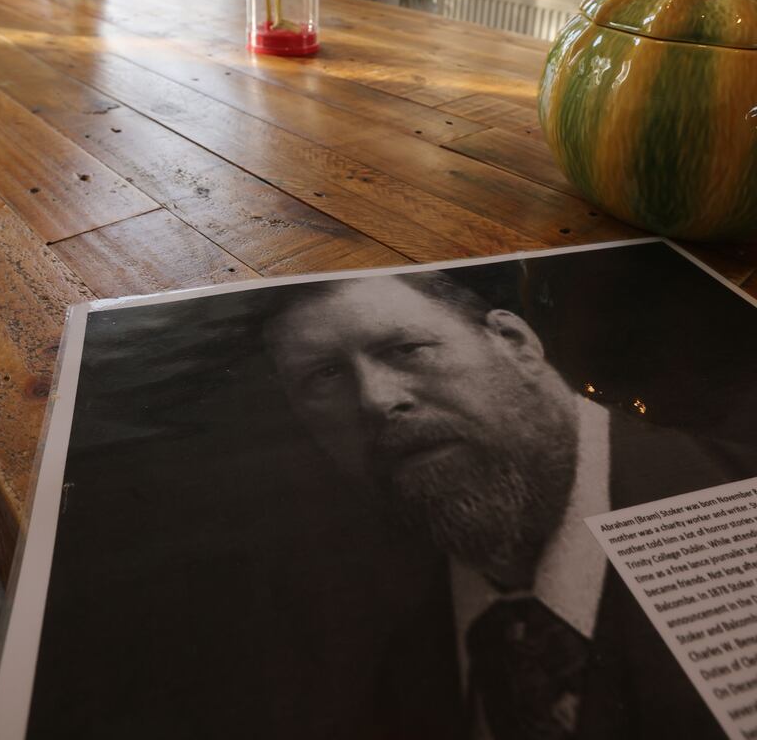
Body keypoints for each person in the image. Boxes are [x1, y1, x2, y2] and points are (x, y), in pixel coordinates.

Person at [267, 268, 750, 740]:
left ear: (515, 343)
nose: (375, 400)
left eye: (406, 349)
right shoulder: (381, 666)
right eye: (324, 375)